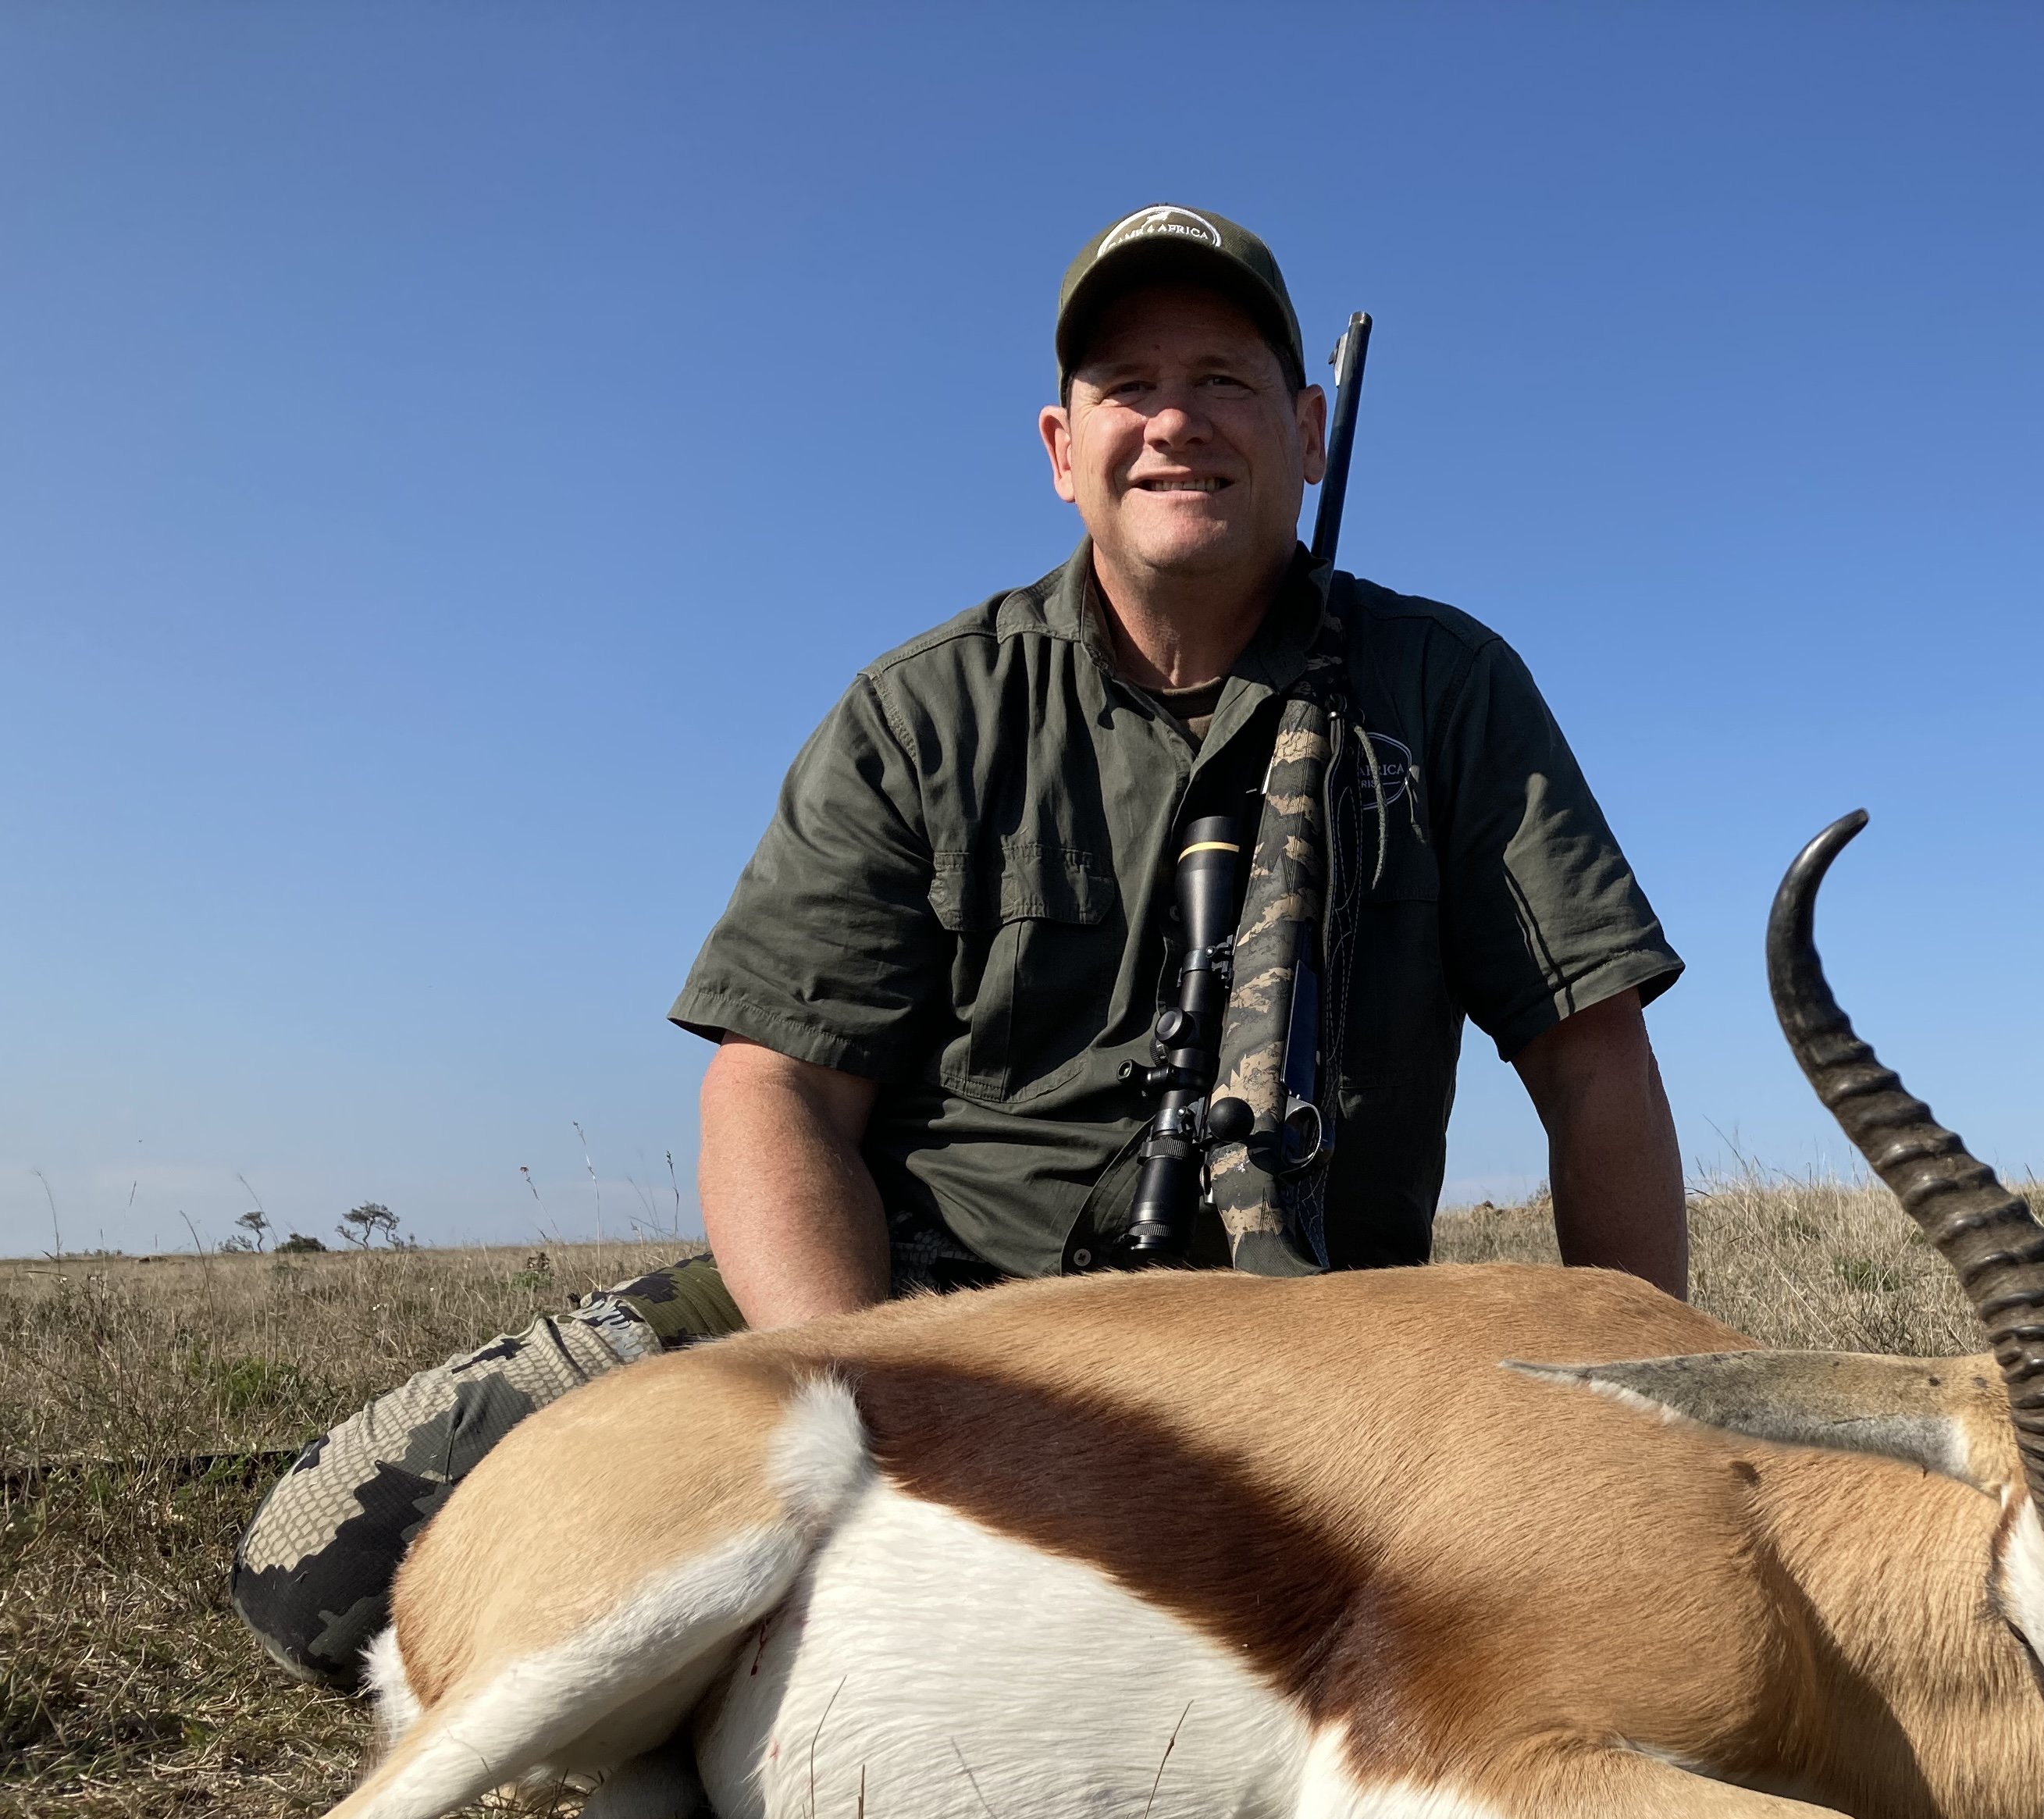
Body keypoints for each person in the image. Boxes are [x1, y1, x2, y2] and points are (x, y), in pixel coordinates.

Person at [233, 202, 1687, 1690]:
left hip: (1302, 1363)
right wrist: (849, 1397)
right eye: (1128, 388)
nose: (1175, 423)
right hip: (914, 1309)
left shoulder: (1447, 685)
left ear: (1309, 432)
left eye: (1225, 380)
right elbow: (774, 1091)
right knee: (325, 1571)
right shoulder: (923, 709)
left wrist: (1644, 1424)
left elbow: (1594, 1068)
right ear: (1063, 448)